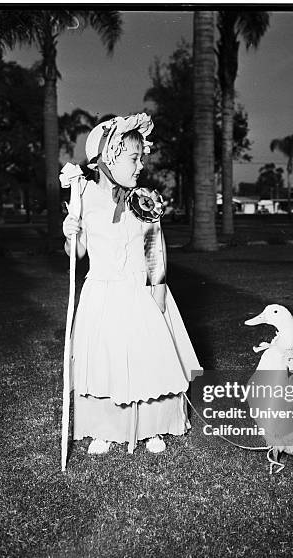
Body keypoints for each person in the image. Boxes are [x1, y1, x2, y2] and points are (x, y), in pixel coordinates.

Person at [62, 113, 202, 455]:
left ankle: (152, 425)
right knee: (104, 362)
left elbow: (155, 249)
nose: (141, 165)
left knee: (146, 358)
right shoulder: (86, 196)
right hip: (102, 292)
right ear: (109, 158)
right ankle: (105, 428)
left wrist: (157, 293)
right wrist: (70, 232)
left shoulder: (144, 199)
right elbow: (76, 252)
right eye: (133, 158)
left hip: (139, 291)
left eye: (142, 158)